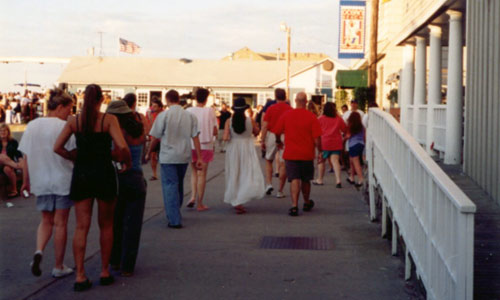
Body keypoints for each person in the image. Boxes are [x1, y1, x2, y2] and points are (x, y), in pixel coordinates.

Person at [54, 84, 131, 292]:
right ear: (100, 100)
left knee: (81, 226)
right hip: (104, 172)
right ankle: (104, 271)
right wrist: (124, 160)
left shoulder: (74, 121)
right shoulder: (108, 120)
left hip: (82, 174)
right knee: (106, 225)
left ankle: (80, 274)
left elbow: (57, 147)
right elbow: (122, 146)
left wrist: (73, 156)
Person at [19, 89, 75, 279]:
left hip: (40, 180)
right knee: (61, 223)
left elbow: (25, 156)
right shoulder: (64, 126)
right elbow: (72, 152)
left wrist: (25, 181)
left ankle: (39, 251)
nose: (70, 113)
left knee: (46, 221)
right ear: (60, 107)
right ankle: (58, 265)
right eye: (69, 108)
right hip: (62, 180)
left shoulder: (32, 126)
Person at [148, 90, 203, 229]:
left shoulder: (163, 116)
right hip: (184, 155)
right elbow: (195, 137)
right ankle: (175, 212)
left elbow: (155, 137)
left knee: (169, 186)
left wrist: (148, 152)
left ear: (167, 100)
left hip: (168, 156)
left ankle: (174, 218)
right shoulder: (189, 116)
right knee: (178, 184)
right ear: (178, 99)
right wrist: (199, 157)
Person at [106, 99, 147, 277]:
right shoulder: (139, 130)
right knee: (133, 224)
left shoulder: (116, 132)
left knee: (116, 221)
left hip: (119, 177)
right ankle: (128, 266)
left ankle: (114, 260)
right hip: (137, 178)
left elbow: (118, 153)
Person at [274, 92, 322, 216]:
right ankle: (306, 202)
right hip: (307, 153)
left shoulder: (287, 115)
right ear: (306, 102)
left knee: (294, 179)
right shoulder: (312, 117)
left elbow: (277, 131)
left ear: (295, 101)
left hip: (291, 153)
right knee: (306, 179)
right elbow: (317, 138)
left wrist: (278, 141)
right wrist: (320, 151)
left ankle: (294, 206)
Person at [223, 98, 264, 214]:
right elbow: (256, 132)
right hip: (247, 147)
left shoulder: (229, 121)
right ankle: (242, 197)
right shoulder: (250, 120)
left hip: (234, 149)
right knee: (247, 172)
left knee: (234, 173)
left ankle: (236, 199)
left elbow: (225, 137)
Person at [186, 88, 217, 211]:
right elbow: (215, 129)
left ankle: (192, 196)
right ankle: (200, 203)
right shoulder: (210, 111)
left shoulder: (188, 110)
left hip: (192, 144)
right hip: (205, 144)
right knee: (202, 174)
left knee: (193, 172)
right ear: (206, 98)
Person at [260, 88, 291, 198]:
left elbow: (265, 125)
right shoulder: (290, 109)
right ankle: (280, 190)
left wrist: (262, 139)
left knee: (269, 159)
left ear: (276, 96)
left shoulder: (271, 108)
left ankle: (268, 183)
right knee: (283, 163)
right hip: (286, 135)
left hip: (272, 134)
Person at [313, 102, 347, 187]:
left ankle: (320, 179)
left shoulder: (320, 119)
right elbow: (344, 129)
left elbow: (315, 131)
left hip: (325, 143)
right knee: (335, 161)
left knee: (321, 161)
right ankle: (338, 181)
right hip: (336, 143)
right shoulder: (338, 119)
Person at [0, 123, 23, 198]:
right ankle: (17, 166)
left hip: (8, 165)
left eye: (4, 131)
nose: (3, 132)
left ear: (8, 132)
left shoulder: (13, 142)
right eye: (1, 131)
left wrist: (21, 161)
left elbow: (18, 154)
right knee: (1, 156)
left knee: (7, 168)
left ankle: (14, 190)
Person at [346, 112, 365, 188]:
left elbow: (348, 136)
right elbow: (364, 136)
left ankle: (361, 179)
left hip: (353, 144)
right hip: (361, 144)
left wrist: (344, 139)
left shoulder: (351, 126)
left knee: (356, 162)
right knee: (351, 160)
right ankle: (351, 177)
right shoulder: (362, 126)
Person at [146, 98, 163, 180]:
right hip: (153, 138)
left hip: (162, 139)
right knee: (153, 155)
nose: (153, 108)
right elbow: (149, 126)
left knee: (162, 156)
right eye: (152, 106)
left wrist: (150, 117)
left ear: (160, 107)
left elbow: (156, 127)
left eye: (155, 106)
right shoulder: (150, 114)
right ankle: (154, 174)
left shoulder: (163, 114)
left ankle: (163, 173)